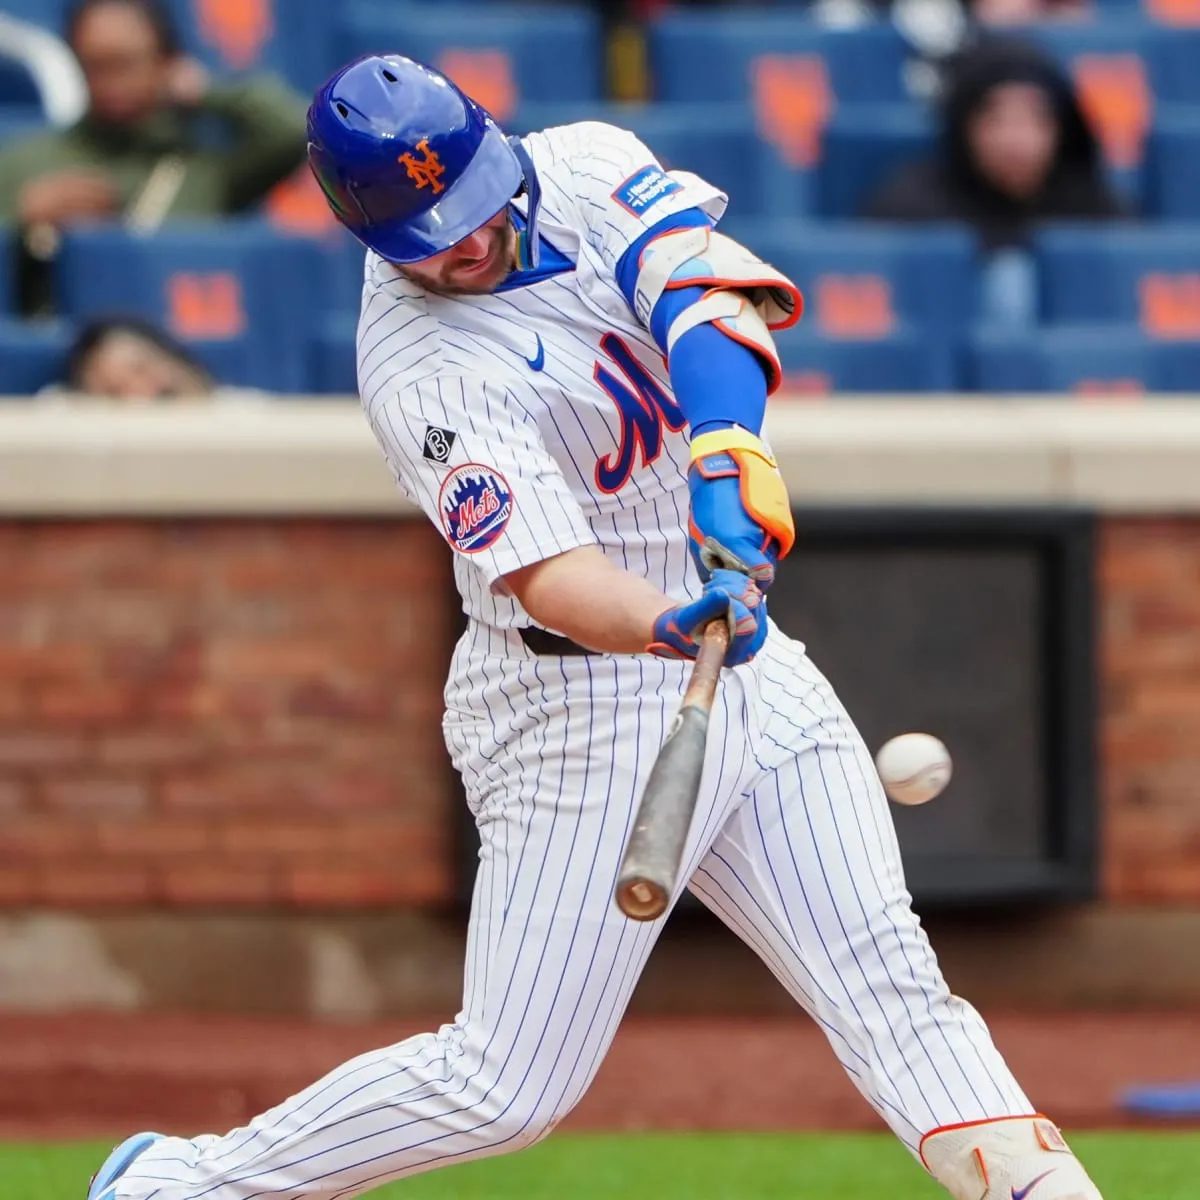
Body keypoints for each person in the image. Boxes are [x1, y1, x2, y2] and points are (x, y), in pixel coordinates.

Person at [86, 54, 1106, 1200]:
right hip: (569, 697)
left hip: (748, 666)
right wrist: (673, 619)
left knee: (891, 987)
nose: (463, 245)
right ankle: (179, 1186)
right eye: (426, 233)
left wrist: (729, 446)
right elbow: (556, 582)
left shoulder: (584, 163)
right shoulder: (419, 366)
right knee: (506, 1088)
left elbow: (703, 300)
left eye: (470, 204)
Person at [0, 0, 308, 314]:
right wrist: (22, 221)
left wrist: (204, 92)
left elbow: (296, 132)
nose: (110, 82)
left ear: (166, 64)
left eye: (125, 63)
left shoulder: (205, 167)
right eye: (94, 66)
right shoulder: (24, 162)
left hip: (181, 341)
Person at [864, 36, 1124, 325]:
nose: (1015, 140)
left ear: (1061, 129)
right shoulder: (910, 210)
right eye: (996, 119)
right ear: (965, 127)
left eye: (1034, 119)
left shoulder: (1099, 213)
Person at [59, 315, 215, 400]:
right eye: (114, 392)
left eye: (141, 369)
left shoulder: (233, 409)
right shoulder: (60, 410)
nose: (141, 395)